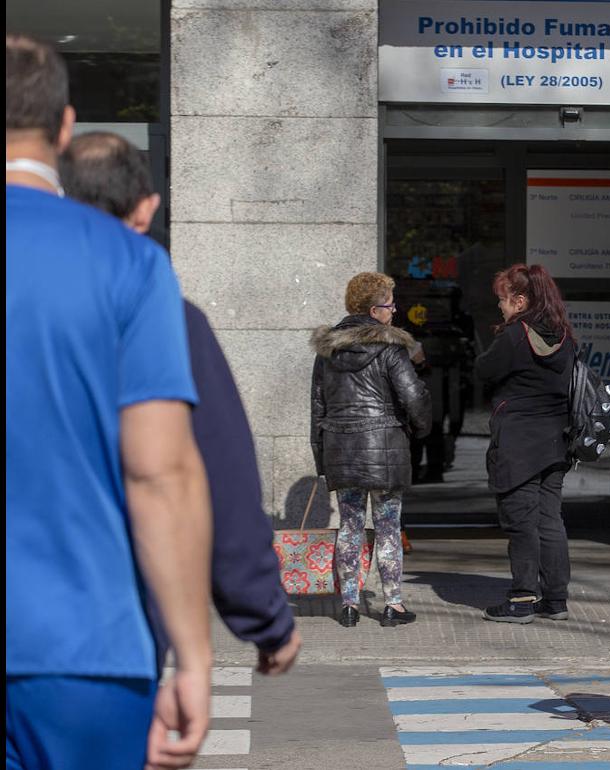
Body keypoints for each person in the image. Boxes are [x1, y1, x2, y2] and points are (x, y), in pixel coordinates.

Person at [6, 34, 213, 769]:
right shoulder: (128, 263)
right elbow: (159, 472)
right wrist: (192, 656)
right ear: (64, 127)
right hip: (81, 640)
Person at [61, 131, 302, 674]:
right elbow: (218, 474)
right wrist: (263, 616)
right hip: (101, 627)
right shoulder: (161, 314)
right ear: (146, 209)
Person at [311, 272, 431, 628]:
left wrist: (322, 456)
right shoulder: (391, 348)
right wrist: (420, 428)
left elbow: (318, 407)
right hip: (384, 449)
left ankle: (349, 605)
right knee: (388, 526)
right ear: (373, 310)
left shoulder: (328, 350)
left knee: (350, 525)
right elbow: (413, 396)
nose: (395, 311)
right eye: (390, 305)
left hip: (341, 447)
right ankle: (393, 605)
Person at [475, 264, 575, 624]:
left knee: (521, 522)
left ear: (519, 301)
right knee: (550, 520)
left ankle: (521, 599)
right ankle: (555, 599)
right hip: (555, 441)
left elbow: (484, 370)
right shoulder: (563, 335)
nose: (500, 306)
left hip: (517, 443)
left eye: (503, 300)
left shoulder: (515, 336)